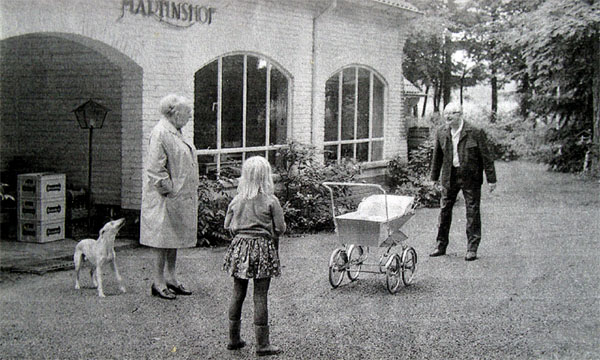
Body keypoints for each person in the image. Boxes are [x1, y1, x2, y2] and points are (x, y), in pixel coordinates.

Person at [222, 156, 286, 356]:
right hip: (263, 250)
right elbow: (280, 228)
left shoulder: (237, 199)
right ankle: (262, 344)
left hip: (240, 248)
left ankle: (233, 339)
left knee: (237, 293)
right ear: (266, 177)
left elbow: (227, 225)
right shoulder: (271, 201)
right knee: (260, 296)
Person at [140, 94, 199, 299]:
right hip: (164, 199)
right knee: (161, 241)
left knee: (173, 239)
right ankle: (158, 282)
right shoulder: (160, 132)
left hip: (177, 197)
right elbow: (155, 169)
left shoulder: (176, 131)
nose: (190, 115)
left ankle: (171, 279)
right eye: (187, 111)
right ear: (174, 112)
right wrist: (171, 191)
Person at [429, 102, 497, 261]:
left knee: (472, 211)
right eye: (446, 114)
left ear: (460, 114)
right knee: (444, 210)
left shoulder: (475, 132)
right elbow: (437, 157)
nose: (448, 117)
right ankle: (440, 245)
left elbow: (486, 157)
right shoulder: (441, 132)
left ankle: (472, 248)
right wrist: (433, 178)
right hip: (449, 176)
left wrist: (491, 179)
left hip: (470, 177)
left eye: (452, 114)